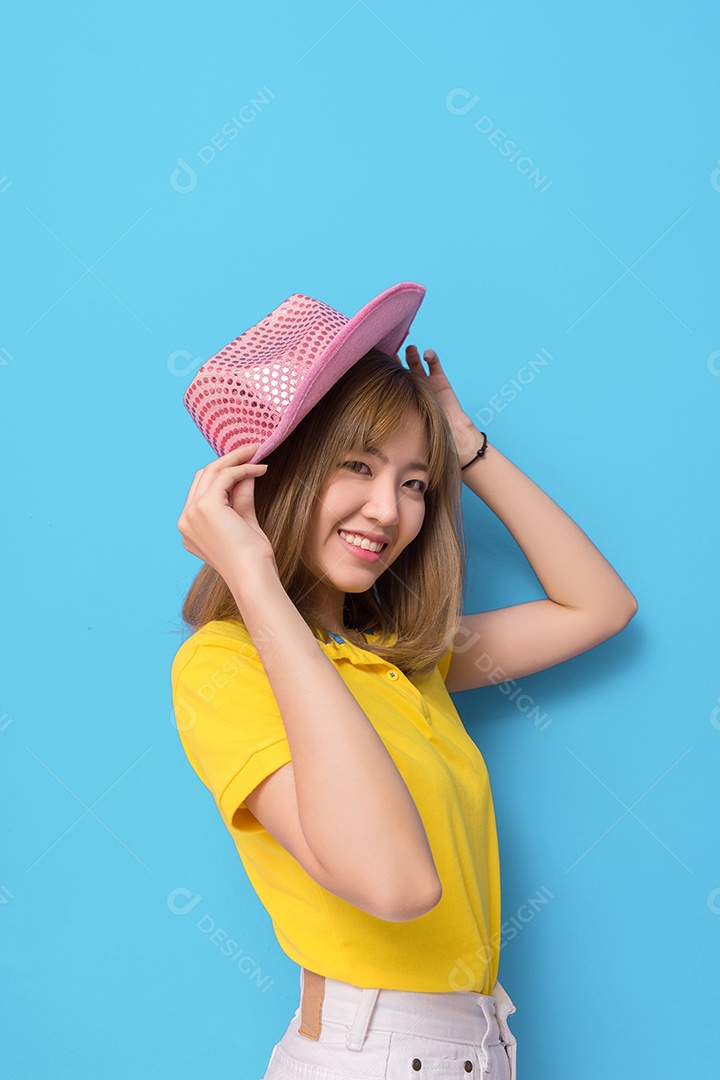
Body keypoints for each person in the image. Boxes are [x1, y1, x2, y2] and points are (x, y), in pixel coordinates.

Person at [170, 282, 637, 1079]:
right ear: (272, 475)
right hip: (377, 1054)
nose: (388, 511)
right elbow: (395, 882)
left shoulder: (396, 661)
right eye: (358, 465)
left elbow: (596, 606)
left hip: (475, 1046)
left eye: (414, 483)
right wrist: (251, 576)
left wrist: (468, 451)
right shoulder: (224, 666)